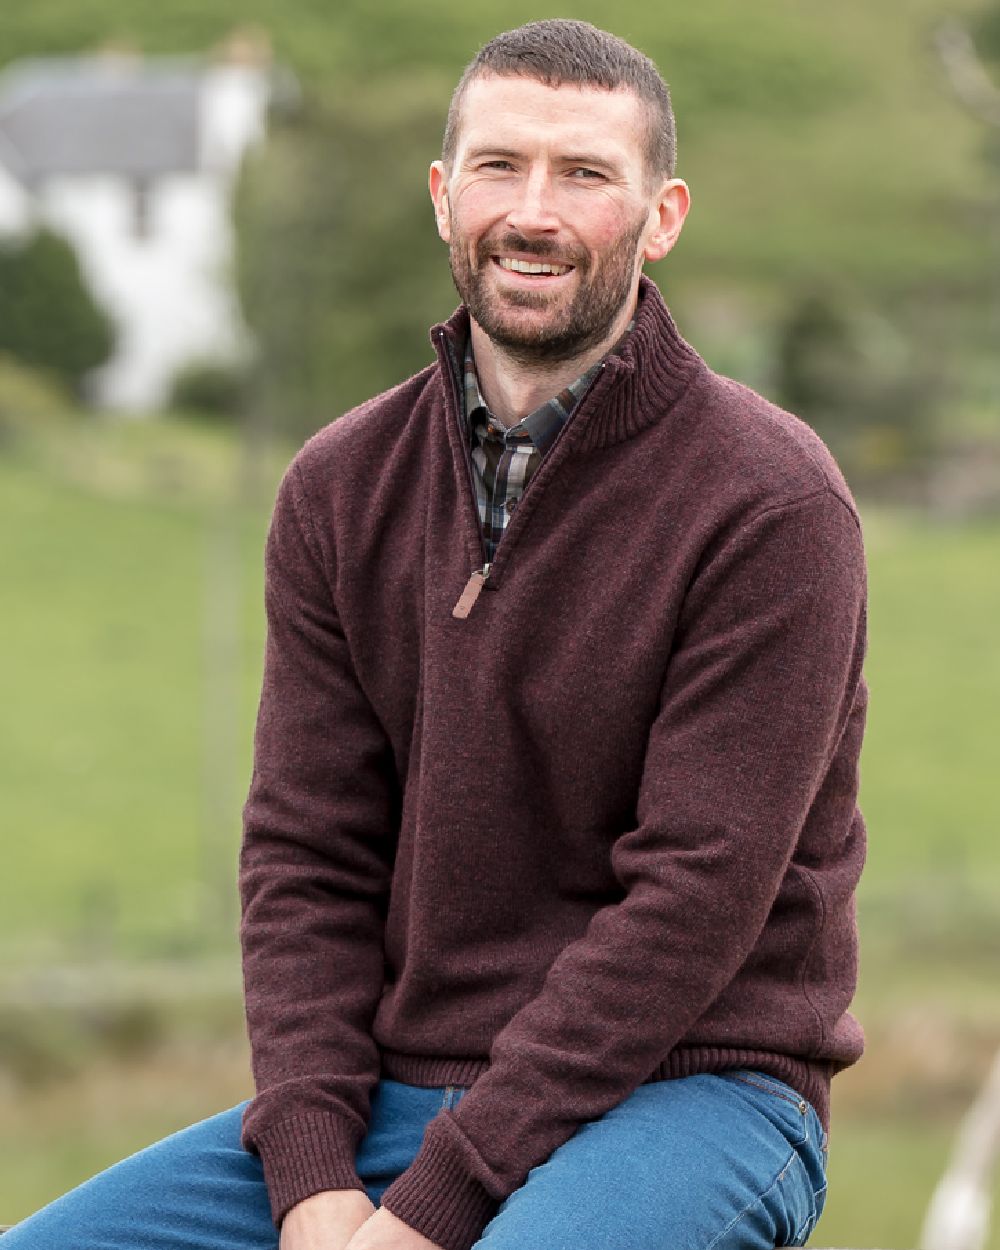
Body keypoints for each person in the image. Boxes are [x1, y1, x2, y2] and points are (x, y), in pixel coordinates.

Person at [4, 19, 867, 1250]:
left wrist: (431, 1211)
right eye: (499, 166)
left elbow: (692, 901)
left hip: (693, 1087)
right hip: (392, 1100)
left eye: (583, 174)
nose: (533, 211)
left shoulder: (771, 502)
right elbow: (305, 854)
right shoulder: (338, 486)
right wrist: (310, 1179)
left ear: (661, 214)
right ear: (442, 194)